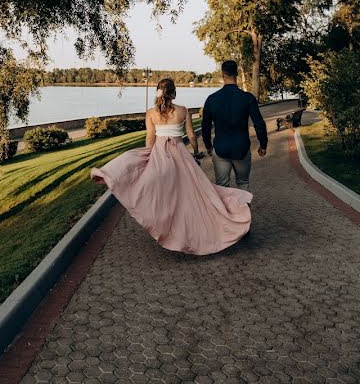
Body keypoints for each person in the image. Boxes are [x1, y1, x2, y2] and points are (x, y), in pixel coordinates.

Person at [91, 78, 252, 255]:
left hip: (160, 156)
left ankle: (168, 229)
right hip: (181, 157)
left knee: (165, 196)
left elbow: (150, 138)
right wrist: (196, 152)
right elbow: (191, 135)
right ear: (174, 92)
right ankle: (206, 227)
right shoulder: (183, 110)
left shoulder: (151, 113)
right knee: (194, 195)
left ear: (158, 93)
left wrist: (148, 156)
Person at [201, 60, 268, 191]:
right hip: (241, 148)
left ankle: (224, 212)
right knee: (243, 183)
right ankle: (244, 211)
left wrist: (208, 145)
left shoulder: (212, 99)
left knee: (222, 188)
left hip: (220, 148)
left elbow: (206, 126)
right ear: (236, 74)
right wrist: (263, 144)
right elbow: (259, 123)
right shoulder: (247, 98)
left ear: (222, 74)